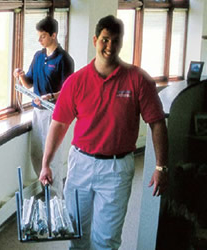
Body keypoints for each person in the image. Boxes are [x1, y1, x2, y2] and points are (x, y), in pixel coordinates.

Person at [39, 15, 168, 250]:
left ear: (121, 43)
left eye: (115, 41)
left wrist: (160, 166)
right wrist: (46, 163)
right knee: (76, 234)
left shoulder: (138, 80)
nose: (110, 47)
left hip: (117, 169)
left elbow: (157, 123)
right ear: (95, 39)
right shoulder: (75, 82)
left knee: (106, 241)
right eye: (105, 40)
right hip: (80, 165)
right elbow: (58, 124)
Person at [13, 16, 74, 197]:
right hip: (37, 112)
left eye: (43, 36)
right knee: (37, 154)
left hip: (54, 114)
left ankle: (56, 198)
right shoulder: (38, 56)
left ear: (53, 35)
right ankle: (46, 191)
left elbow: (68, 91)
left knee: (52, 158)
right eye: (38, 36)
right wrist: (20, 76)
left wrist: (52, 96)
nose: (39, 40)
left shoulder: (64, 60)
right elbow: (29, 84)